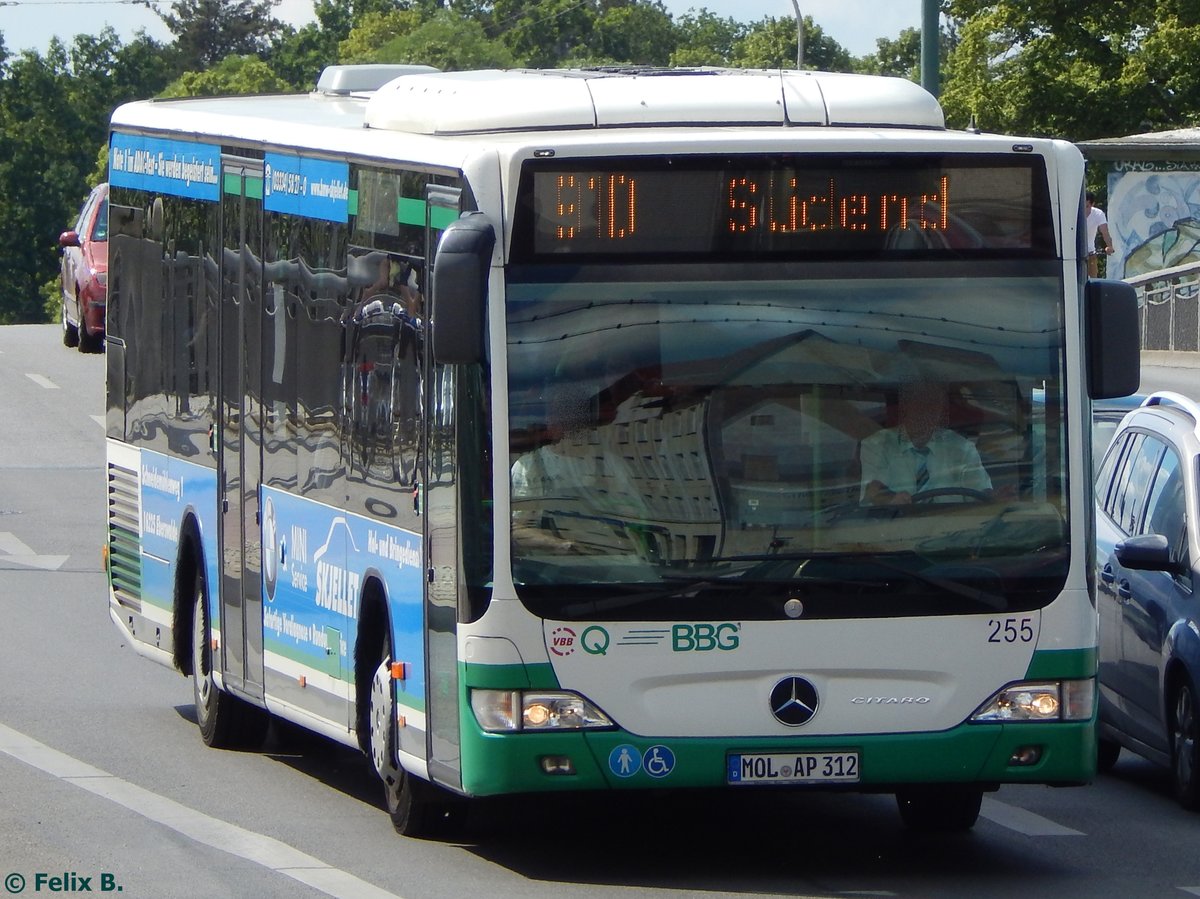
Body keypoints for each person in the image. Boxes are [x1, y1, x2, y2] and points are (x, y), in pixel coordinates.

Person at [860, 381, 992, 505]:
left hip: (952, 524)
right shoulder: (878, 444)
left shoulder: (961, 447)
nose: (926, 412)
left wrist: (996, 497)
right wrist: (891, 499)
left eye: (933, 404)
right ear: (905, 407)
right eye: (919, 404)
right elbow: (871, 493)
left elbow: (981, 492)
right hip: (894, 525)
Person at [1086, 191, 1115, 279]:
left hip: (1090, 253)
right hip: (1073, 255)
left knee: (1093, 279)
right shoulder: (1074, 213)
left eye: (1087, 206)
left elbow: (1105, 232)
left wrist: (1109, 246)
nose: (1084, 209)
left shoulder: (1098, 214)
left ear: (1092, 204)